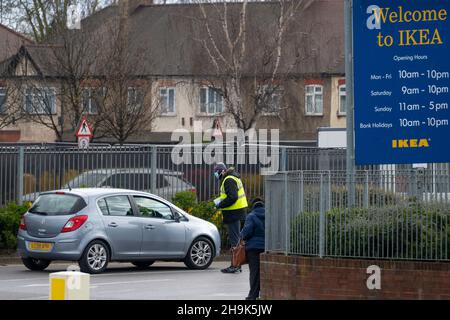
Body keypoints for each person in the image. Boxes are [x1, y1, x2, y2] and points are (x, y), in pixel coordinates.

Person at [212, 162, 248, 274]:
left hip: (234, 213)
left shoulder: (228, 180)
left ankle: (235, 266)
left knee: (235, 241)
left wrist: (220, 204)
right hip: (235, 213)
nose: (216, 174)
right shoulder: (231, 178)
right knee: (236, 240)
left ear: (222, 171)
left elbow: (232, 197)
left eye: (217, 172)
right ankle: (236, 265)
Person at [240, 198, 265, 300]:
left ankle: (253, 295)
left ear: (253, 206)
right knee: (264, 272)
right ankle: (263, 293)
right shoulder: (270, 215)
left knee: (254, 272)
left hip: (253, 249)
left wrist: (241, 235)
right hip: (266, 248)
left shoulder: (251, 216)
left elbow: (246, 233)